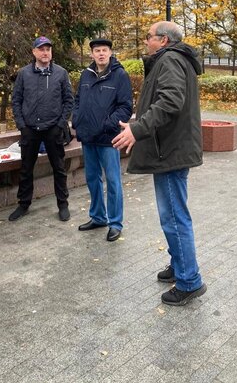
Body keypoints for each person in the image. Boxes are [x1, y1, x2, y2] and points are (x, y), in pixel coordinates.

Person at [112, 21, 206, 306]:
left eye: (149, 37)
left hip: (170, 153)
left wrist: (137, 129)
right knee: (173, 215)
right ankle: (179, 266)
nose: (146, 41)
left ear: (163, 40)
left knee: (174, 216)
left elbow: (170, 102)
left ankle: (190, 281)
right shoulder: (172, 59)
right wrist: (137, 124)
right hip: (169, 150)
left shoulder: (171, 60)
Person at [72, 38, 133, 242]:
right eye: (97, 50)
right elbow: (78, 100)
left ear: (110, 52)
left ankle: (115, 223)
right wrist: (76, 119)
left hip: (108, 138)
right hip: (88, 136)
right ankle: (98, 217)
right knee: (92, 179)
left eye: (104, 50)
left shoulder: (119, 75)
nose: (100, 54)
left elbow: (125, 107)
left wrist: (108, 123)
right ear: (92, 54)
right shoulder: (86, 74)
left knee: (113, 181)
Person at [10, 36, 74, 222]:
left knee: (59, 168)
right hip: (30, 129)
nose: (45, 53)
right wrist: (22, 125)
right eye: (41, 49)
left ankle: (63, 204)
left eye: (48, 49)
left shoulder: (61, 73)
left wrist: (60, 124)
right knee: (26, 169)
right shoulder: (24, 74)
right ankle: (23, 204)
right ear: (34, 52)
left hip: (53, 129)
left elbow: (69, 101)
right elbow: (16, 100)